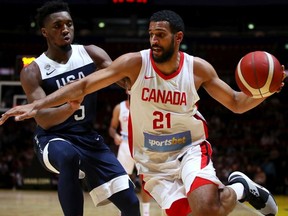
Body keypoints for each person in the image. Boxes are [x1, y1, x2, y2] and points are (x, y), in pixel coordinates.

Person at [0, 9, 283, 216]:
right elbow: (84, 84)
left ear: (178, 37)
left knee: (207, 208)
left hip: (190, 148)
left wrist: (267, 90)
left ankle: (241, 189)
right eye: (150, 35)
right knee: (199, 211)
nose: (154, 41)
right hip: (152, 163)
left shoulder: (198, 69)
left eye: (160, 35)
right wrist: (37, 105)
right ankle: (241, 187)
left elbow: (235, 102)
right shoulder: (134, 63)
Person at [6, 1, 140, 216]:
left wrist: (139, 81)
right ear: (45, 32)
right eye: (57, 26)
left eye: (69, 24)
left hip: (88, 138)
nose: (65, 29)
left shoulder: (91, 54)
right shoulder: (33, 71)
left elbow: (125, 82)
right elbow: (45, 120)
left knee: (131, 205)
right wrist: (71, 106)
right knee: (68, 156)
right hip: (52, 139)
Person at [109, 96, 152, 216]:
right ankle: (121, 211)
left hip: (142, 144)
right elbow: (112, 128)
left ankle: (146, 213)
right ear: (126, 89)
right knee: (122, 180)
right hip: (125, 144)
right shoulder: (119, 107)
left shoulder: (145, 105)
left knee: (145, 179)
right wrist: (115, 135)